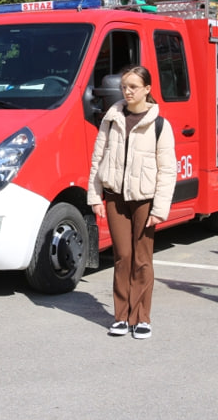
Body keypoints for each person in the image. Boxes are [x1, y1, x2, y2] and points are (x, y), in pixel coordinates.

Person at [87, 66, 177, 340]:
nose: (127, 91)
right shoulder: (111, 117)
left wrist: (159, 210)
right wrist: (95, 196)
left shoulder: (160, 123)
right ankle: (121, 316)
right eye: (125, 86)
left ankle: (142, 318)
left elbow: (168, 170)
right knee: (122, 257)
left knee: (142, 259)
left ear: (147, 89)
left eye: (134, 87)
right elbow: (97, 158)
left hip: (144, 200)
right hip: (115, 197)